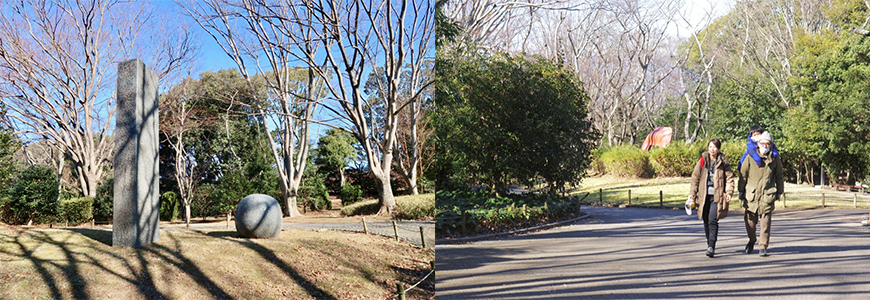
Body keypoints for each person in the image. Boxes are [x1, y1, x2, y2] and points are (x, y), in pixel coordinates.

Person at [738, 131, 784, 257]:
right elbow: (743, 175)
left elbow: (779, 176)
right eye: (762, 143)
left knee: (765, 224)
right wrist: (741, 191)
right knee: (750, 223)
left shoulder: (775, 158)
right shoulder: (749, 157)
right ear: (758, 144)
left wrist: (780, 191)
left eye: (767, 143)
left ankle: (763, 246)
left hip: (767, 195)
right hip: (751, 195)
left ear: (770, 145)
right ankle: (752, 240)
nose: (765, 145)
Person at [689, 138, 735, 258]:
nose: (712, 149)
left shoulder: (723, 162)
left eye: (714, 147)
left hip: (717, 195)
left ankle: (711, 246)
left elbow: (730, 178)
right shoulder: (703, 160)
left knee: (712, 220)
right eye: (710, 147)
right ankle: (709, 243)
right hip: (703, 195)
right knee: (705, 220)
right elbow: (695, 178)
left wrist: (729, 192)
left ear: (718, 149)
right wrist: (692, 194)